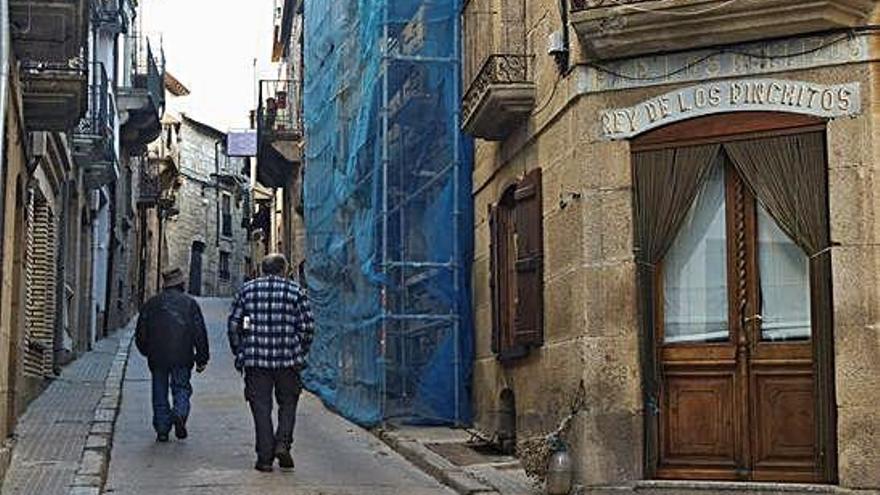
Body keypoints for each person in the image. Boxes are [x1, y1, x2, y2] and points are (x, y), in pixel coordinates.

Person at [228, 253, 314, 473]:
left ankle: (264, 458)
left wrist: (240, 352)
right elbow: (307, 327)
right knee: (288, 403)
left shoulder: (247, 290)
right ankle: (283, 444)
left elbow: (235, 325)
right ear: (283, 270)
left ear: (262, 269)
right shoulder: (296, 291)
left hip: (256, 361)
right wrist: (299, 351)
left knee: (261, 408)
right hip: (287, 360)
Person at [135, 267, 209, 442]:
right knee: (181, 387)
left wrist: (146, 351)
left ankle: (162, 428)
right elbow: (199, 332)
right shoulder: (190, 304)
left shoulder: (151, 303)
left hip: (157, 356)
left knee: (159, 391)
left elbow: (140, 333)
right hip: (183, 355)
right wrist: (202, 358)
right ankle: (180, 413)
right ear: (181, 284)